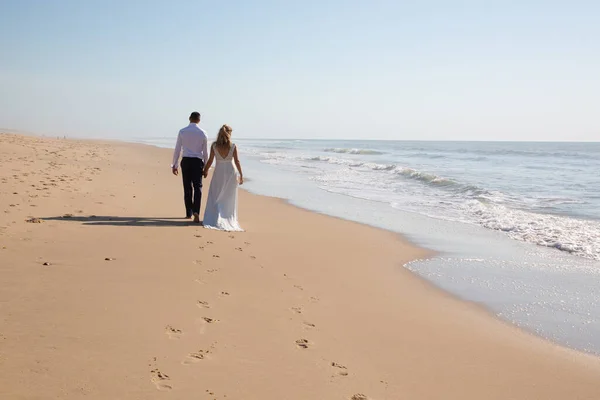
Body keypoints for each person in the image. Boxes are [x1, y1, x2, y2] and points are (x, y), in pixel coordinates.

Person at [202, 124, 244, 231]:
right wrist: (241, 174)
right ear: (229, 133)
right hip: (231, 171)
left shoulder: (214, 146)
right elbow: (237, 161)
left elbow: (210, 160)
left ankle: (215, 215)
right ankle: (227, 216)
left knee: (216, 194)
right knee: (229, 196)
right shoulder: (233, 146)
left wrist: (205, 170)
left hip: (219, 172)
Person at [171, 111, 208, 223]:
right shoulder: (203, 133)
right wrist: (206, 167)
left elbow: (177, 149)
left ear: (189, 118)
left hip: (186, 160)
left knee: (187, 187)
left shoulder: (182, 131)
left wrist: (174, 165)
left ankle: (189, 212)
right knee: (198, 187)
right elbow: (206, 152)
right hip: (197, 161)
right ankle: (196, 211)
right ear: (199, 120)